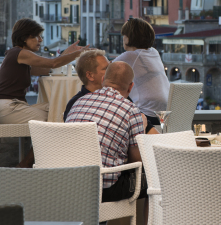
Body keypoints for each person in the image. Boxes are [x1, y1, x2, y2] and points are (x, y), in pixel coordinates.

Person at [0, 18, 90, 167]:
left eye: (40, 36)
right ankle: (29, 162)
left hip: (11, 106)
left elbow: (48, 68)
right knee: (57, 119)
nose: (40, 40)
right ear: (24, 38)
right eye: (35, 36)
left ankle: (36, 161)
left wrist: (65, 53)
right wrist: (79, 54)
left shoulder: (18, 56)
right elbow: (53, 63)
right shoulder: (20, 53)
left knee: (61, 111)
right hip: (9, 108)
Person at [66, 61, 149, 205]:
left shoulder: (78, 101)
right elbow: (137, 163)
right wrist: (143, 127)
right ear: (130, 87)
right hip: (101, 189)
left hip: (65, 183)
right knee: (157, 177)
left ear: (103, 79)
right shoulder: (131, 110)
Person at [114, 18, 169, 125]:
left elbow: (106, 70)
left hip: (147, 114)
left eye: (123, 35)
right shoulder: (154, 52)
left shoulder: (131, 55)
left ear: (128, 38)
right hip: (164, 113)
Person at [62, 49, 110, 122]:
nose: (111, 70)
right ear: (90, 75)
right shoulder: (76, 104)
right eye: (106, 68)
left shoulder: (115, 95)